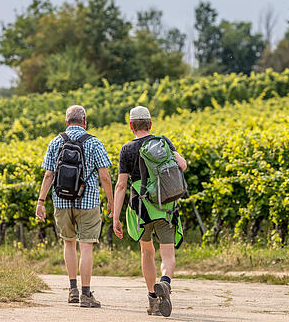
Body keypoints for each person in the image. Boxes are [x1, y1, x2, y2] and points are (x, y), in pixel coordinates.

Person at [36, 105, 114, 308]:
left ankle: (72, 291)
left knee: (68, 243)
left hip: (61, 200)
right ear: (85, 121)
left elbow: (48, 175)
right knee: (86, 246)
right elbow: (105, 177)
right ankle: (86, 295)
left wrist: (41, 201)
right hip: (88, 202)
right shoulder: (94, 143)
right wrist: (111, 203)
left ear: (66, 122)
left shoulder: (55, 142)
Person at [113, 105, 187, 317]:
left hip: (140, 210)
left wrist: (116, 217)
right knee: (168, 253)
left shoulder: (126, 149)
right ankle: (165, 282)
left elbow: (120, 185)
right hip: (165, 206)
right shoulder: (162, 141)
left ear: (131, 126)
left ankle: (152, 299)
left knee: (147, 252)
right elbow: (182, 165)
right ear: (150, 124)